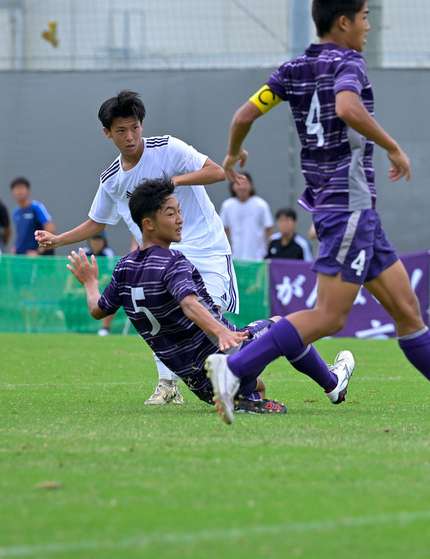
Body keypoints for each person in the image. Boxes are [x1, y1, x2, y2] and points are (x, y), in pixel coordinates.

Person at [213, 0, 430, 427]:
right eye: (366, 17)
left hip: (350, 211)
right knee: (330, 316)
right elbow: (348, 107)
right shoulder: (348, 63)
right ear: (344, 21)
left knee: (407, 310)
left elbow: (243, 115)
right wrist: (392, 145)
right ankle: (233, 368)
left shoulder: (291, 71)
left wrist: (233, 154)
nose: (370, 26)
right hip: (346, 205)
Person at [66, 178, 355, 416]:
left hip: (198, 384)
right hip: (221, 362)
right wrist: (221, 332)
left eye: (179, 211)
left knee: (259, 386)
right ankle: (333, 384)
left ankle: (246, 400)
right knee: (284, 325)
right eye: (170, 213)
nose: (180, 219)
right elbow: (189, 303)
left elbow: (98, 309)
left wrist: (90, 282)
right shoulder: (172, 261)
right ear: (148, 223)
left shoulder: (124, 267)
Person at [35, 90, 240, 406]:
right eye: (121, 130)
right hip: (161, 257)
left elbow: (216, 171)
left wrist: (175, 182)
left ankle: (245, 367)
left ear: (142, 125)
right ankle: (169, 386)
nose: (129, 136)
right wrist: (59, 239)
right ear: (108, 133)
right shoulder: (112, 180)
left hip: (205, 248)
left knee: (209, 315)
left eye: (134, 128)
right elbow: (97, 222)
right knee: (160, 314)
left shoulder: (168, 148)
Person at [220, 172, 274, 261]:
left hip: (257, 258)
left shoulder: (261, 205)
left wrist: (267, 252)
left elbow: (269, 230)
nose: (242, 187)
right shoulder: (227, 206)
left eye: (245, 183)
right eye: (238, 183)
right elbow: (225, 231)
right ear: (232, 186)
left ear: (251, 185)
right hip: (235, 258)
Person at [10, 177, 56, 255]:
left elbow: (51, 229)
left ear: (28, 190)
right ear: (12, 192)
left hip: (37, 260)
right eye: (17, 188)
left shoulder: (36, 208)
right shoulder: (15, 213)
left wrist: (38, 252)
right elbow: (20, 234)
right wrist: (15, 247)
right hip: (22, 258)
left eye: (22, 188)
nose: (19, 191)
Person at [86, 232, 117, 335]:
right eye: (94, 240)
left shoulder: (107, 253)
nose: (96, 243)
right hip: (84, 285)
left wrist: (93, 286)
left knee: (111, 300)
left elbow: (108, 276)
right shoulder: (84, 252)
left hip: (102, 286)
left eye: (99, 240)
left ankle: (105, 328)